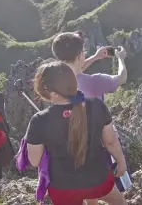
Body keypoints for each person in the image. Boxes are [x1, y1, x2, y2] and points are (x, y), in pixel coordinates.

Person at [24, 61, 128, 205]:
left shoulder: (39, 120)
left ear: (51, 92)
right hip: (98, 178)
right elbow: (110, 141)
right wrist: (121, 163)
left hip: (62, 187)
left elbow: (34, 161)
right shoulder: (97, 105)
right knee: (118, 201)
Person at [51, 31, 129, 205]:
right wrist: (121, 58)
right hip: (95, 154)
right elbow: (121, 78)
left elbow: (72, 72)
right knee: (117, 201)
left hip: (68, 156)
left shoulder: (55, 85)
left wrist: (94, 57)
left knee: (89, 197)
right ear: (80, 55)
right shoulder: (95, 81)